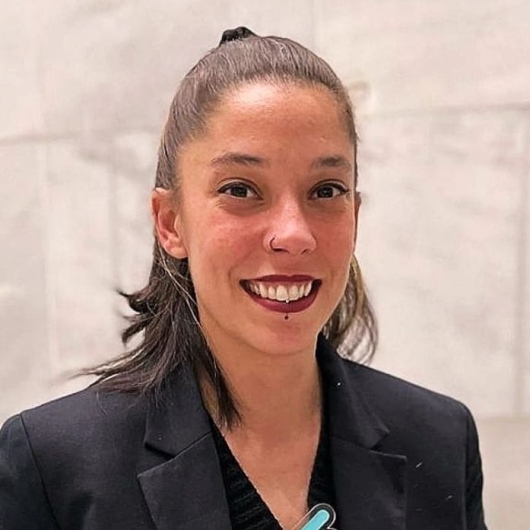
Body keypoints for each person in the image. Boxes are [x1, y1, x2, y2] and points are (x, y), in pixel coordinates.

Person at [0, 27, 487, 530]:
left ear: (355, 215)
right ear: (170, 222)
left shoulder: (441, 441)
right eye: (240, 189)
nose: (293, 235)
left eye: (326, 190)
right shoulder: (53, 468)